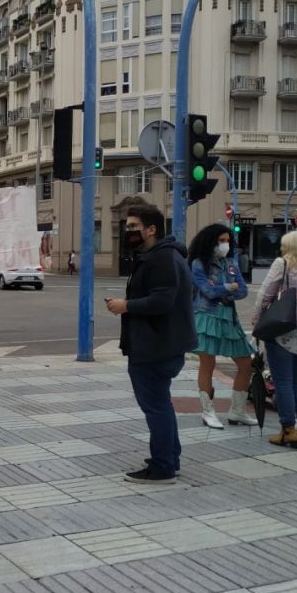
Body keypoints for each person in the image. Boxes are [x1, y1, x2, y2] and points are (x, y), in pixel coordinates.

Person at [105, 204, 195, 484]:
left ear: (152, 229)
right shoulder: (158, 256)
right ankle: (169, 456)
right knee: (161, 405)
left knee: (156, 407)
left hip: (155, 346)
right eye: (127, 226)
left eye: (133, 226)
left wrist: (125, 305)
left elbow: (162, 300)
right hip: (159, 343)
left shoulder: (162, 259)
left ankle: (163, 466)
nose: (128, 231)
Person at [251, 229, 297, 449]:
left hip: (283, 328)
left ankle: (288, 430)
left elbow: (266, 294)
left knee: (282, 382)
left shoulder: (283, 264)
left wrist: (257, 318)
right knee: (295, 381)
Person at [187, 224, 255, 429]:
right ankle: (208, 412)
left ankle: (238, 411)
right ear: (210, 242)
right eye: (221, 241)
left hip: (228, 318)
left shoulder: (231, 263)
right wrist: (228, 287)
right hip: (207, 317)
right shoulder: (199, 264)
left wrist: (224, 290)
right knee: (207, 364)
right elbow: (207, 291)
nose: (225, 245)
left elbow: (243, 291)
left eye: (227, 241)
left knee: (245, 364)